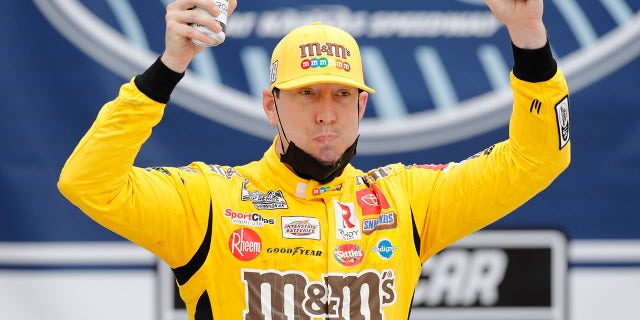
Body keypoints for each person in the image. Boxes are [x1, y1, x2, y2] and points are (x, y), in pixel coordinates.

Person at [58, 0, 571, 319]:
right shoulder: (210, 201)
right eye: (307, 95)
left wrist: (529, 37)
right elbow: (87, 182)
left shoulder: (406, 201)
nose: (327, 114)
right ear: (270, 104)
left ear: (362, 105)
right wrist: (169, 67)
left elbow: (539, 157)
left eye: (341, 95)